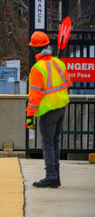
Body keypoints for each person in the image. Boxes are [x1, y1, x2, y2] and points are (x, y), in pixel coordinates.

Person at [26, 30, 71, 188]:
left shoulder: (37, 69)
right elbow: (67, 83)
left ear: (35, 49)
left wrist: (29, 116)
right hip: (61, 107)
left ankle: (51, 176)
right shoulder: (58, 63)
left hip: (48, 110)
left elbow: (35, 97)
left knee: (47, 143)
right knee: (55, 142)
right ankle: (55, 177)